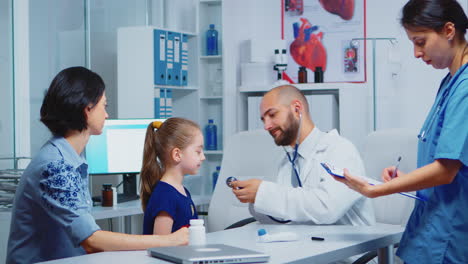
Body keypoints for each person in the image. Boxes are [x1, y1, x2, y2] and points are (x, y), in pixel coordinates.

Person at [331, 0, 468, 263]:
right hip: (431, 229)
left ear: (449, 31)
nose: (417, 53)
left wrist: (380, 190)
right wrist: (407, 180)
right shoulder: (450, 82)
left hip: (449, 236)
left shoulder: (465, 87)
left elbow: (447, 170)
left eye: (420, 41)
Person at [6, 67, 188, 264]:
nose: (107, 115)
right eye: (104, 106)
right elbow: (91, 240)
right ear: (87, 109)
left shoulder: (72, 158)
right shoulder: (55, 166)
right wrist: (167, 240)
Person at [231, 85, 375, 226]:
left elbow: (326, 208)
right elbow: (283, 217)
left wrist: (263, 193)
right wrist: (254, 198)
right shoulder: (285, 160)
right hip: (306, 244)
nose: (266, 126)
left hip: (350, 247)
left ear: (297, 109)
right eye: (263, 119)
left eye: (272, 115)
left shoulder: (340, 149)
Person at [140, 117, 205, 235]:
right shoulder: (165, 196)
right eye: (198, 152)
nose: (203, 157)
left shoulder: (182, 191)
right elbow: (161, 245)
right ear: (177, 154)